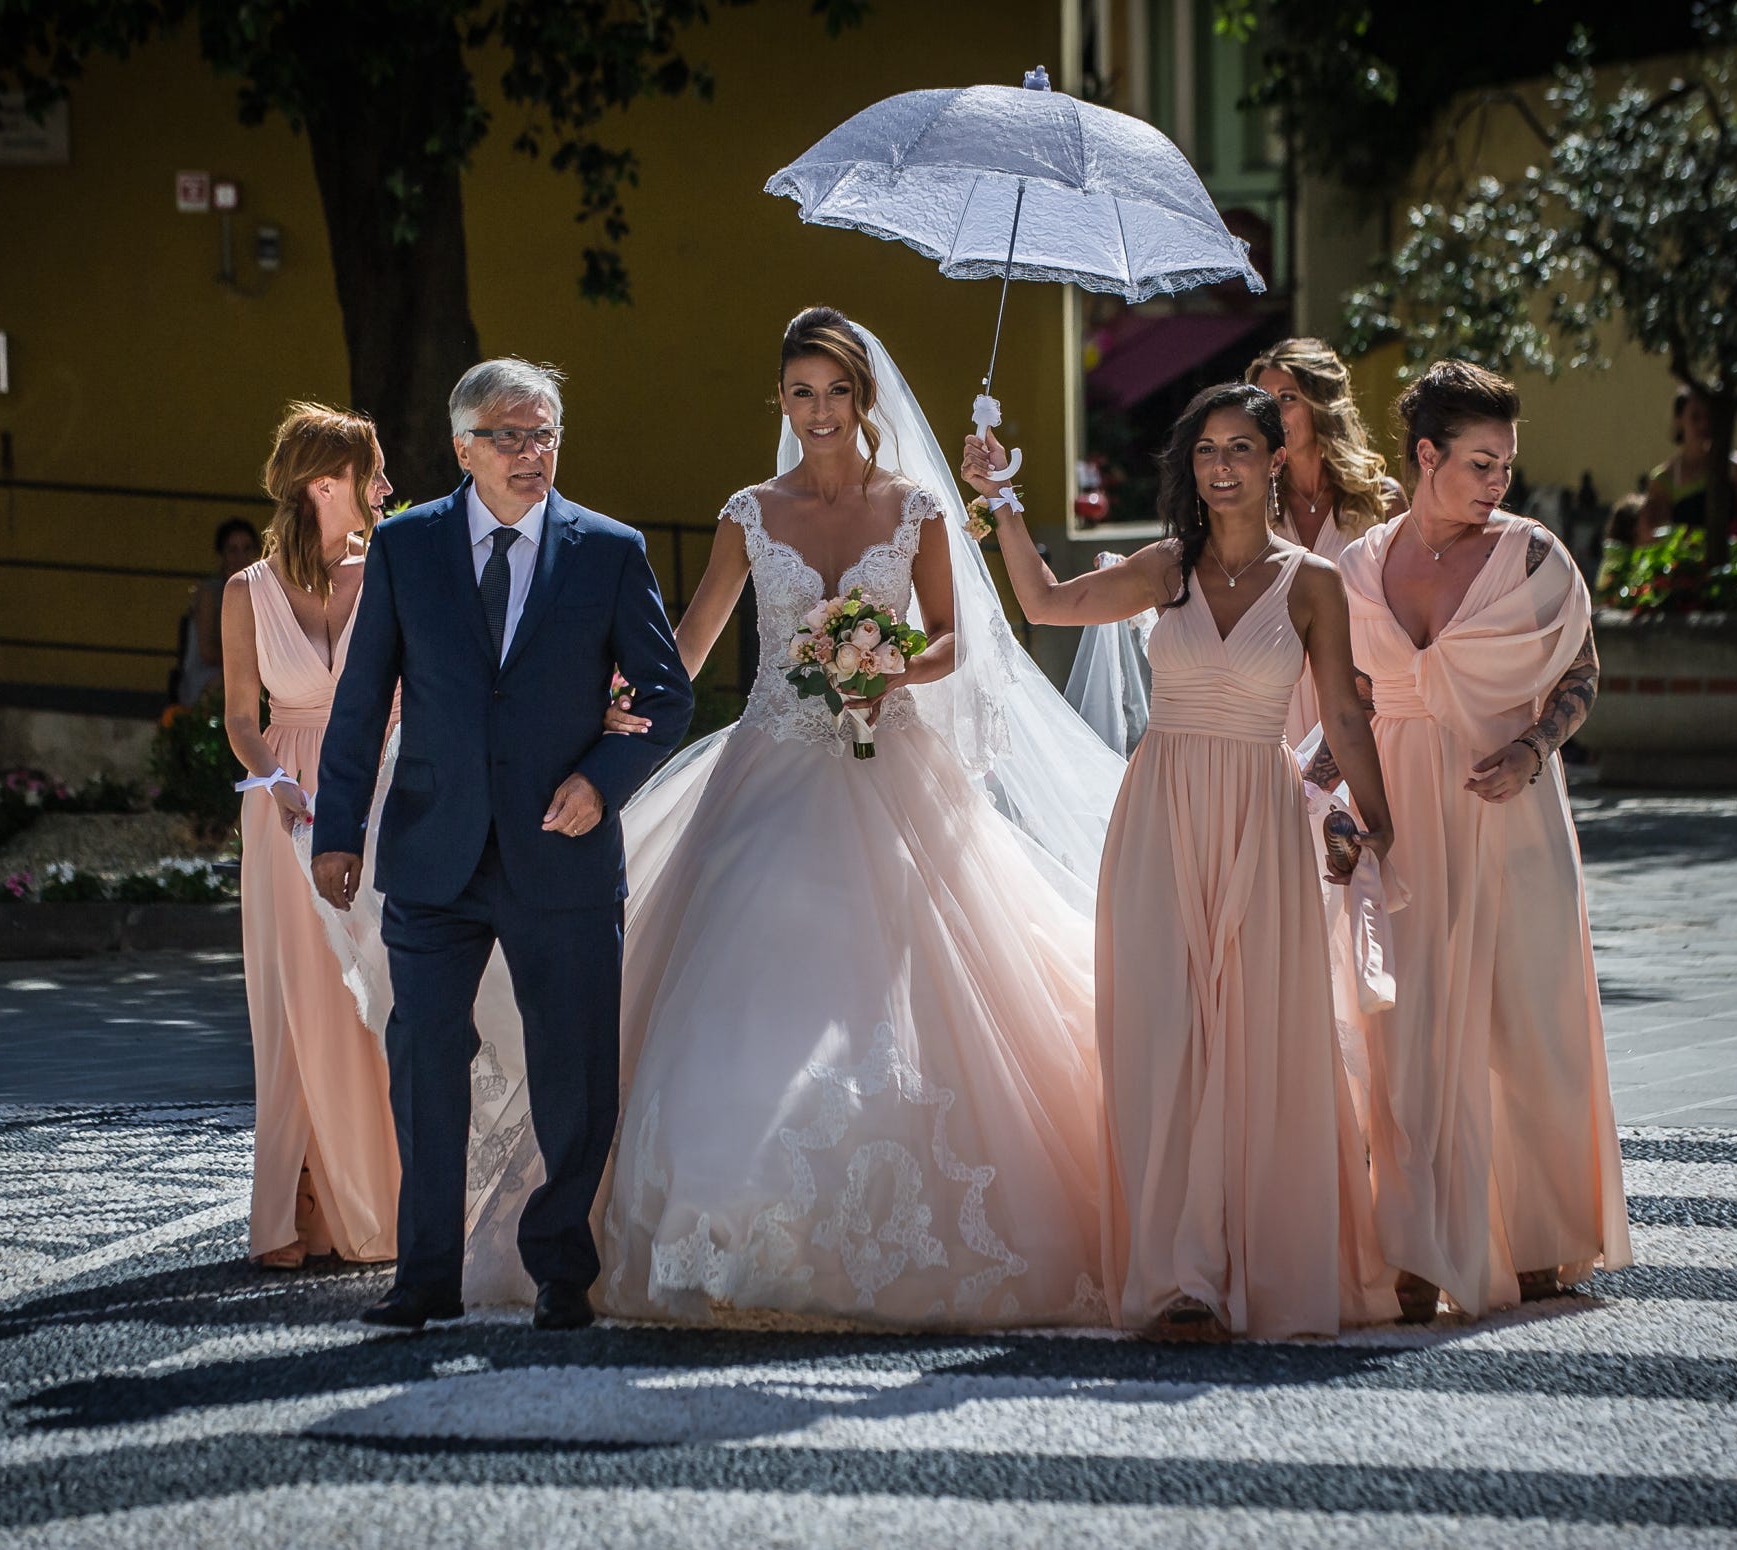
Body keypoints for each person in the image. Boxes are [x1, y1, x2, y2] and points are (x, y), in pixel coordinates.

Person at [584, 308, 1123, 1329]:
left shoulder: (915, 507)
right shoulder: (749, 511)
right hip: (772, 764)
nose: (819, 410)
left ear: (864, 399)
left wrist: (886, 665)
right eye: (801, 391)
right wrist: (628, 704)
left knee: (907, 984)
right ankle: (727, 1212)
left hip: (892, 767)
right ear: (781, 401)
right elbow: (693, 637)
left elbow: (960, 640)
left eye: (836, 390)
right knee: (747, 980)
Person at [963, 383, 1398, 1340]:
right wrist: (1002, 501)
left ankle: (1259, 1260)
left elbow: (1347, 716)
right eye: (1206, 450)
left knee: (1257, 1043)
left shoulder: (1312, 584)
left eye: (1242, 447)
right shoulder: (1168, 567)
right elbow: (1043, 602)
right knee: (1164, 1040)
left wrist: (1380, 826)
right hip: (1160, 818)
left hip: (1262, 823)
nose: (1223, 466)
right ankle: (1178, 1275)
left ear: (1276, 459)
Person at [311, 360, 695, 1332]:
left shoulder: (608, 550)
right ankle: (426, 1273)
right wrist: (337, 831)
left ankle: (563, 1267)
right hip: (434, 853)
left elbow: (666, 692)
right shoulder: (404, 548)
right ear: (463, 446)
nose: (533, 455)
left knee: (573, 1068)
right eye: (511, 437)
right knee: (426, 1059)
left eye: (546, 435)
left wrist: (600, 785)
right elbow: (361, 702)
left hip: (558, 853)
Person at [1304, 360, 1632, 1322]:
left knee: (1525, 1024)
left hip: (1506, 813)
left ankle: (1539, 1239)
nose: (1500, 484)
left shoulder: (1532, 557)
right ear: (1425, 456)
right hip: (1400, 812)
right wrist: (1319, 795)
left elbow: (1582, 671)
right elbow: (1350, 704)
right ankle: (1415, 1245)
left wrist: (1534, 747)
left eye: (1506, 465)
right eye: (1482, 464)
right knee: (1405, 1031)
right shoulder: (1358, 566)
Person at [220, 406, 401, 1271]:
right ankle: (295, 1205)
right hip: (284, 804)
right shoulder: (245, 591)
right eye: (374, 472)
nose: (389, 487)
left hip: (384, 785)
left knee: (372, 993)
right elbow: (239, 719)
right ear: (325, 483)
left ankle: (369, 1200)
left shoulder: (396, 569)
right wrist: (276, 782)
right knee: (296, 1001)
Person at [1246, 339, 1405, 743]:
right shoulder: (1247, 506)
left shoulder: (1380, 500)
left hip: (1363, 698)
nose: (1273, 413)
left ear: (1321, 404)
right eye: (1263, 401)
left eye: (1287, 398)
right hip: (1275, 700)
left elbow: (1410, 610)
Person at [1641, 384, 1737, 546]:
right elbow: (1657, 538)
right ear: (1679, 420)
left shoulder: (1734, 466)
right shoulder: (1664, 479)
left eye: (1709, 417)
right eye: (1695, 417)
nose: (1703, 425)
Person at [178, 518, 260, 706]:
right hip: (210, 677)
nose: (241, 558)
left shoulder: (264, 592)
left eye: (247, 549)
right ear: (221, 557)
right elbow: (207, 653)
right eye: (233, 550)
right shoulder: (210, 593)